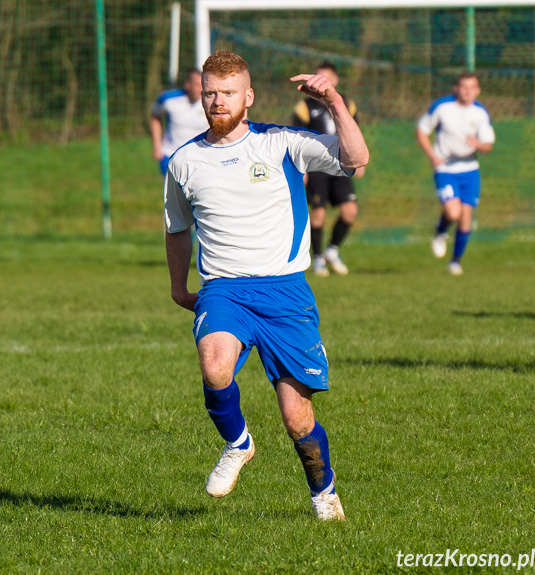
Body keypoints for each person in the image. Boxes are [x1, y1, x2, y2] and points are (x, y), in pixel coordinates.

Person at [164, 50, 368, 520]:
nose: (218, 101)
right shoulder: (185, 160)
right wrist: (179, 287)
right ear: (201, 95)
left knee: (297, 419)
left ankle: (324, 495)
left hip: (285, 291)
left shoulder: (282, 142)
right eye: (210, 92)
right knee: (215, 366)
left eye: (228, 92)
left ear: (248, 97)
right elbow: (176, 228)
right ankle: (238, 444)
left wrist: (334, 100)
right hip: (224, 288)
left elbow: (356, 159)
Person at [416, 72, 495, 275]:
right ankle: (441, 230)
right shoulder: (442, 107)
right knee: (453, 212)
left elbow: (488, 145)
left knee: (466, 217)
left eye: (472, 87)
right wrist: (432, 155)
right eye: (464, 86)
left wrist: (479, 145)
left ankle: (455, 261)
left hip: (470, 170)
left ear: (478, 90)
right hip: (445, 170)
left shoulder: (480, 113)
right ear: (456, 88)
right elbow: (422, 130)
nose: (468, 91)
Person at [292, 61, 364, 277]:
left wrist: (358, 161)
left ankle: (333, 250)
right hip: (316, 168)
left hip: (340, 165)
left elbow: (355, 131)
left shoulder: (346, 104)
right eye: (317, 77)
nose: (320, 82)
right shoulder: (304, 106)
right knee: (318, 214)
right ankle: (318, 259)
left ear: (335, 80)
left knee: (350, 212)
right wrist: (300, 169)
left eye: (326, 77)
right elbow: (296, 137)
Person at [150, 68, 209, 176]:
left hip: (199, 157)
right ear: (188, 85)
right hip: (170, 155)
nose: (201, 89)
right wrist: (157, 146)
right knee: (174, 192)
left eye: (203, 85)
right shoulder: (168, 99)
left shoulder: (210, 101)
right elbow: (155, 116)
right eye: (197, 85)